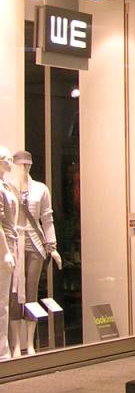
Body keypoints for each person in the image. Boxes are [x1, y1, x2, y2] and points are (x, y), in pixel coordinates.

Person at [8, 151, 60, 357]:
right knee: (14, 295)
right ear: (15, 165)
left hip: (35, 244)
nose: (25, 168)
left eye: (28, 164)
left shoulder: (40, 189)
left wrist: (52, 247)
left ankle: (29, 343)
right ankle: (15, 345)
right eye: (21, 164)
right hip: (14, 244)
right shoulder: (7, 188)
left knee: (31, 293)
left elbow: (47, 218)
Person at [0, 146, 19, 361]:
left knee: (5, 300)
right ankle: (2, 351)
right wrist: (5, 251)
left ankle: (3, 348)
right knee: (2, 301)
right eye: (6, 159)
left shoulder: (6, 185)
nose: (10, 162)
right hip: (3, 246)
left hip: (10, 244)